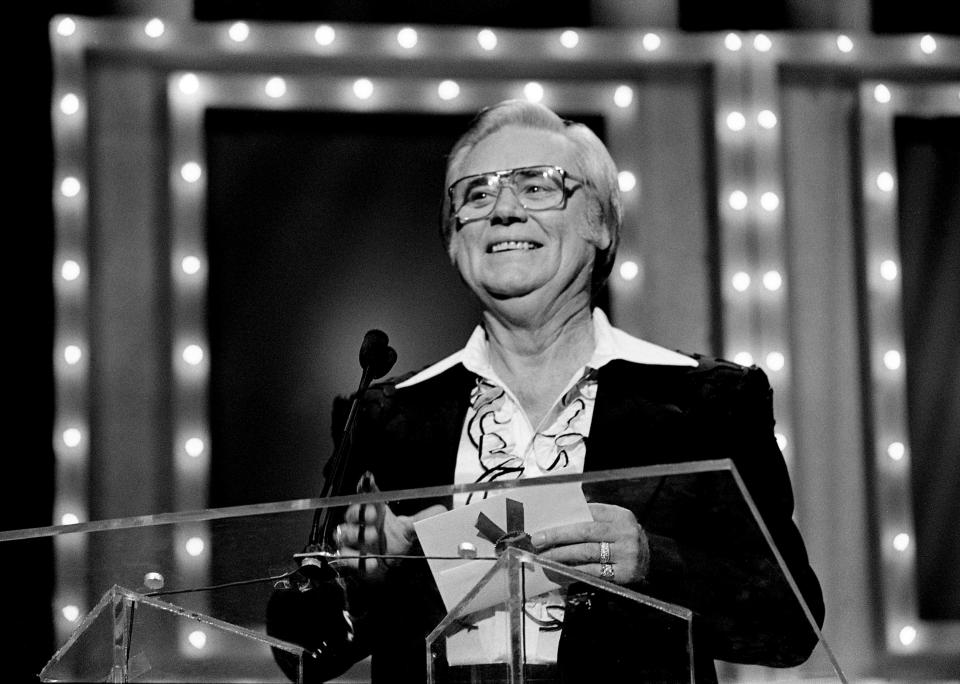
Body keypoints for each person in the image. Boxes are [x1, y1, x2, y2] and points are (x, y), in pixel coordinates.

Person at [267, 100, 825, 683]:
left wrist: (652, 561)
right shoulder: (384, 415)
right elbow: (305, 652)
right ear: (453, 238)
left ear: (601, 223)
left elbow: (791, 624)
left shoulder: (706, 402)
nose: (503, 209)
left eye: (538, 187)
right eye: (476, 194)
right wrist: (364, 580)